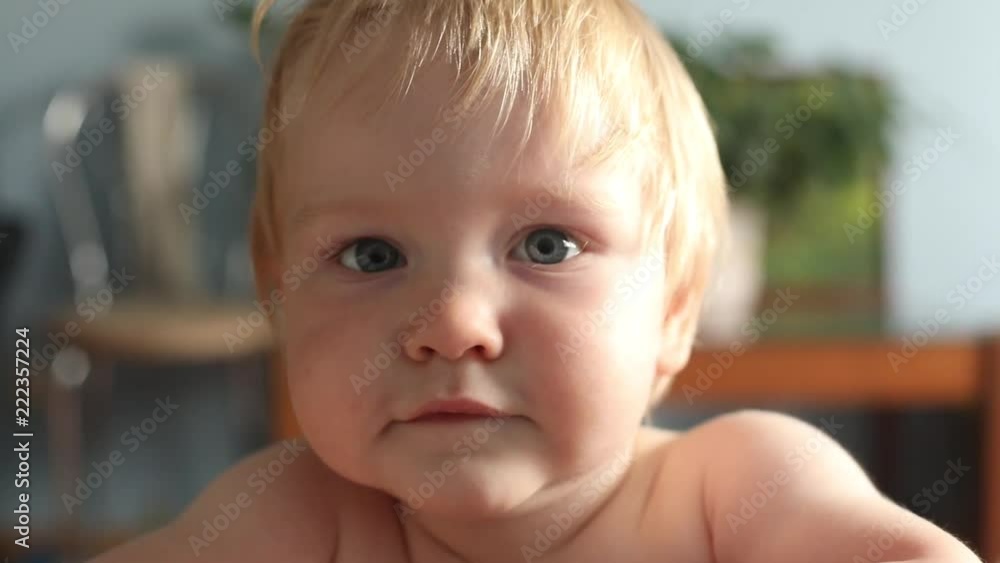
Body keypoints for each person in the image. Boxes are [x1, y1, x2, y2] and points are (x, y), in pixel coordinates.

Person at [91, 1, 980, 561]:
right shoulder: (300, 516)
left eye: (547, 245)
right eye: (371, 255)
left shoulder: (731, 489)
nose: (453, 324)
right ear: (279, 295)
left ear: (676, 305)